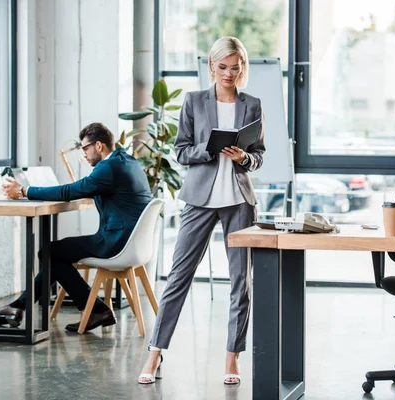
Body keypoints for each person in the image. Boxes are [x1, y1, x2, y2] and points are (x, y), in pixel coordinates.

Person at [138, 36, 265, 385]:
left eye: (235, 67)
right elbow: (180, 151)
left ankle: (232, 358)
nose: (229, 73)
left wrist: (245, 157)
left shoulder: (252, 104)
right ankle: (155, 353)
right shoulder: (194, 102)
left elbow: (259, 155)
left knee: (241, 283)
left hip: (239, 201)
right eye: (223, 67)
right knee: (179, 277)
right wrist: (208, 151)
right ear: (211, 66)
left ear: (242, 68)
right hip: (199, 200)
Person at [0, 122, 153, 332]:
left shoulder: (108, 168)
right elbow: (94, 189)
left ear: (99, 146)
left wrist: (24, 190)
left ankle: (93, 309)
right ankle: (18, 307)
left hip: (117, 243)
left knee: (50, 252)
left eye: (85, 148)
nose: (84, 154)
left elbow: (70, 191)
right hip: (132, 243)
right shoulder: (127, 162)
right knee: (53, 253)